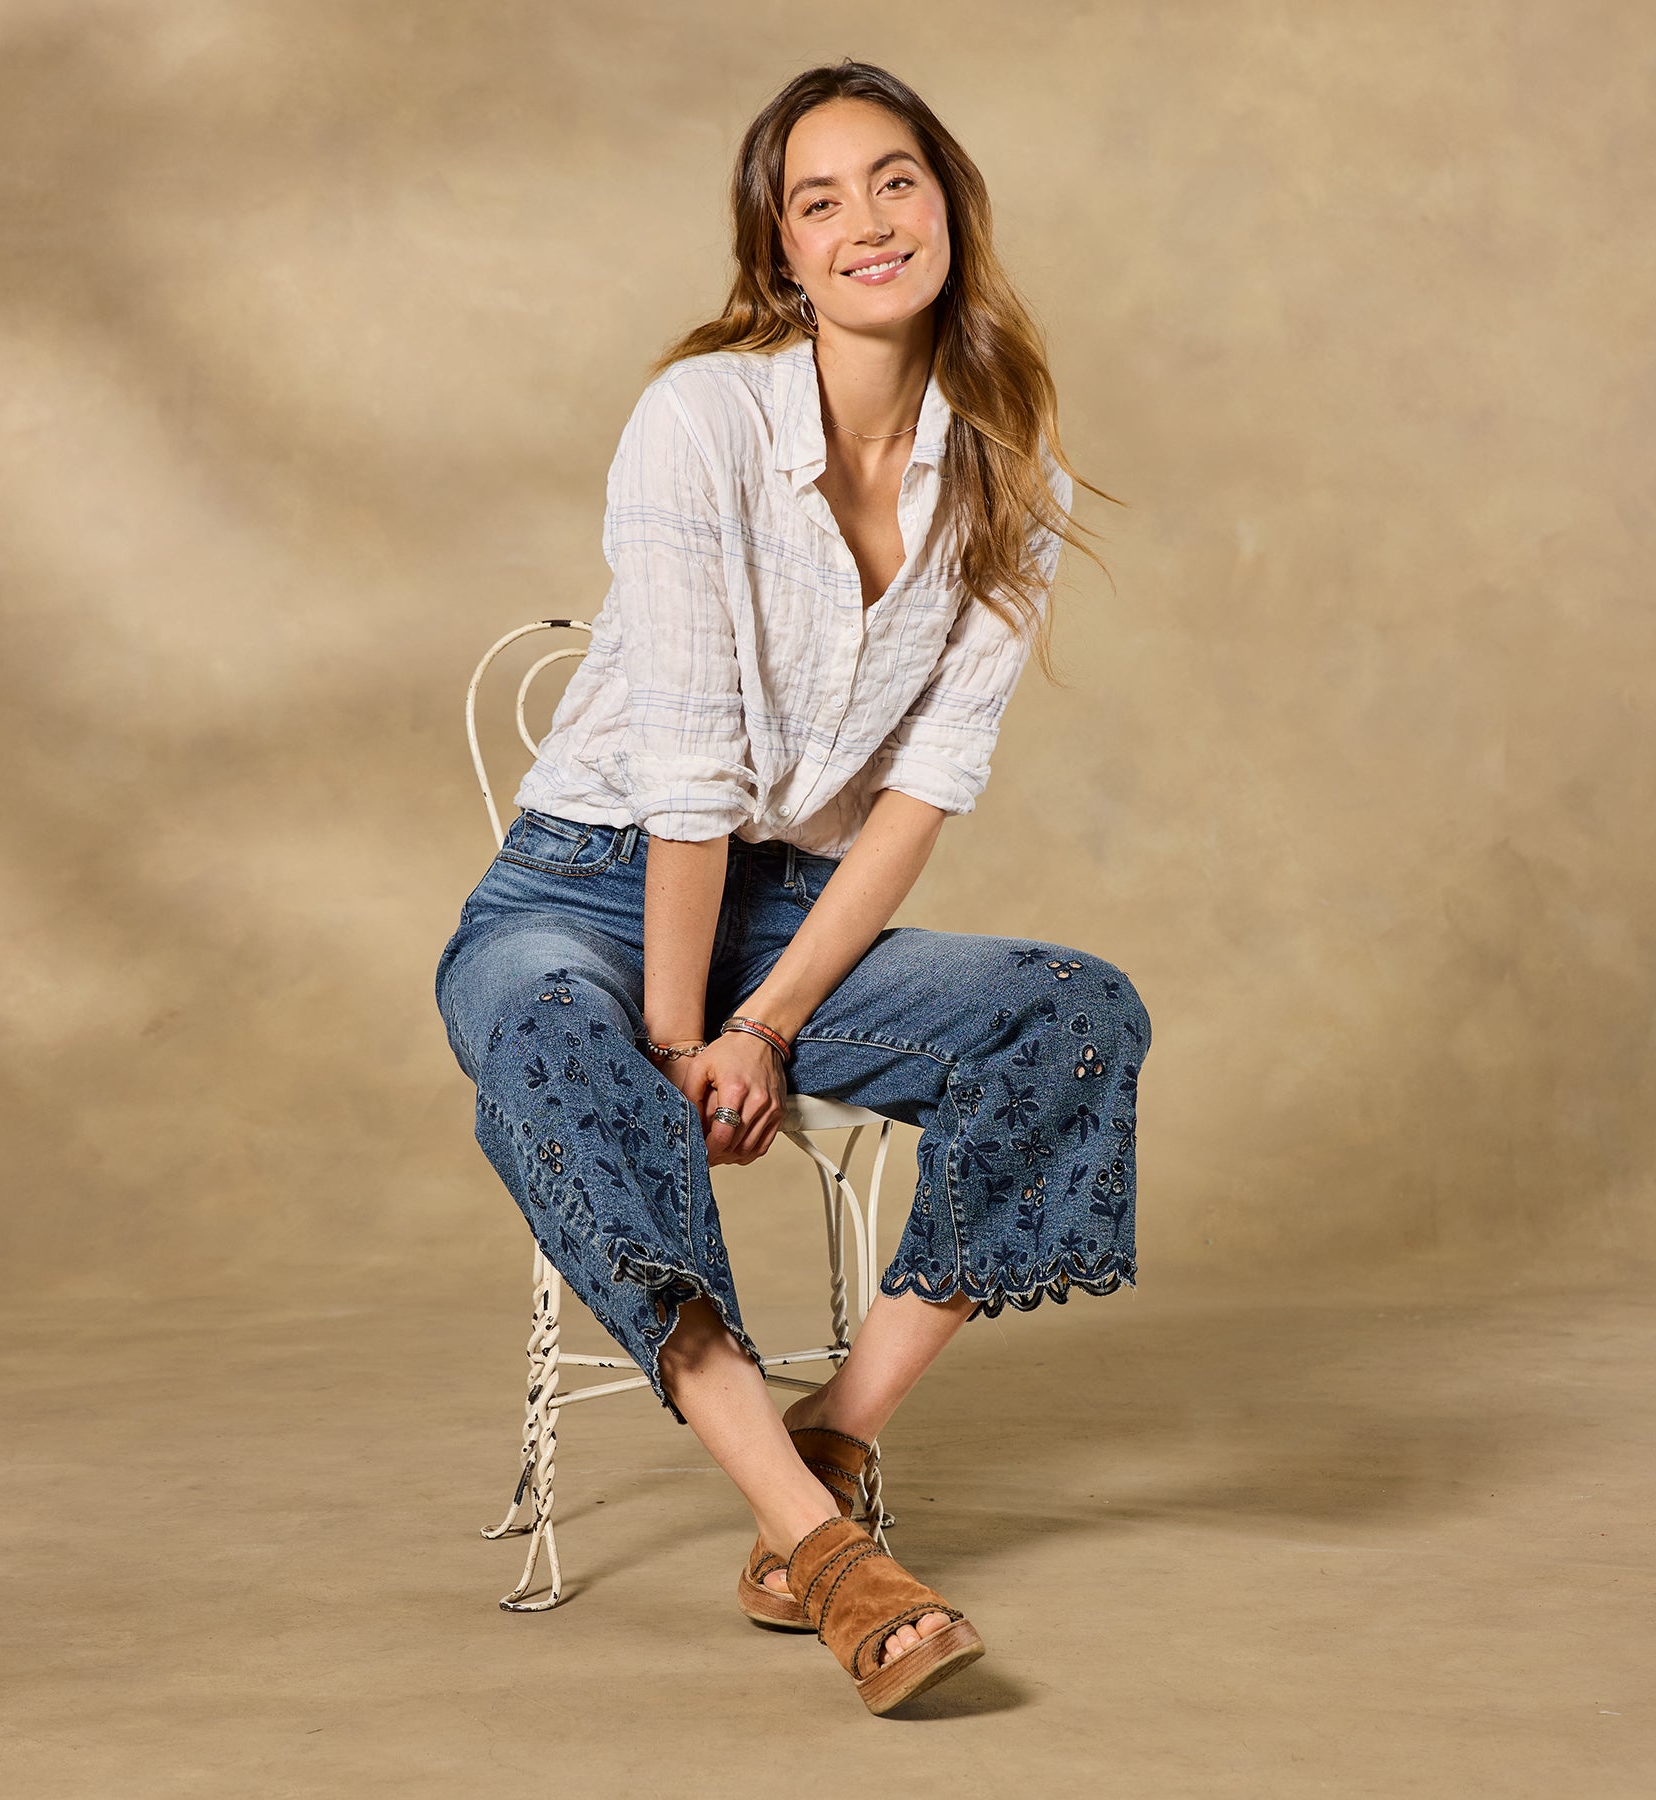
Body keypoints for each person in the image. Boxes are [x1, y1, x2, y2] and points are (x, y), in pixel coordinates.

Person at [434, 58, 1150, 1716]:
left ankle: (833, 1443)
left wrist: (761, 1021)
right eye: (818, 201)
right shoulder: (702, 419)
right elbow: (686, 772)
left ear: (948, 205)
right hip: (575, 895)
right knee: (552, 1048)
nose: (866, 222)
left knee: (1074, 1017)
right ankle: (826, 1556)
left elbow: (921, 797)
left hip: (779, 921)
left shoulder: (1006, 473)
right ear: (782, 251)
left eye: (894, 180)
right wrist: (684, 1043)